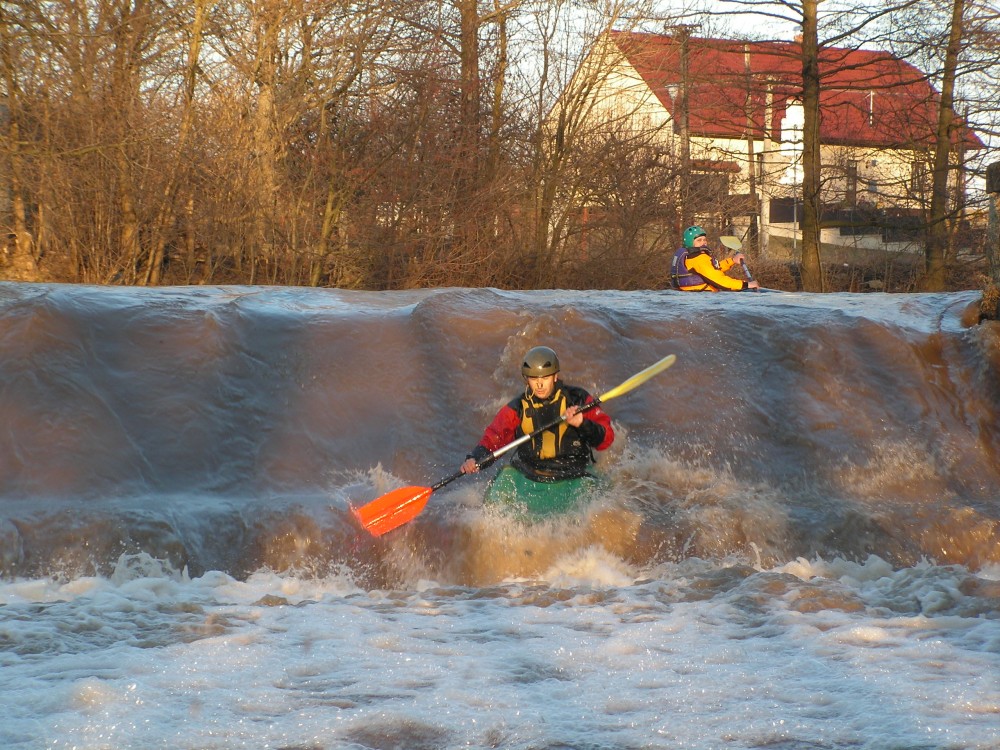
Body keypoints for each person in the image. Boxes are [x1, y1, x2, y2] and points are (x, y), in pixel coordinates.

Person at [460, 346, 614, 516]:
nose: (540, 384)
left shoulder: (578, 399)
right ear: (527, 380)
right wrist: (475, 458)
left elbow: (606, 439)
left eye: (545, 377)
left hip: (573, 474)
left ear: (555, 376)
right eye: (534, 378)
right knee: (492, 507)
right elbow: (494, 438)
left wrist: (582, 423)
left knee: (599, 513)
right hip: (529, 474)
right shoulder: (518, 408)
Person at [670, 225, 760, 291]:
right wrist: (746, 285)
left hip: (695, 294)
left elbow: (713, 268)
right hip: (702, 296)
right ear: (690, 242)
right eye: (699, 240)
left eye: (704, 239)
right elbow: (719, 280)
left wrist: (732, 260)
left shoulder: (692, 257)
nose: (704, 242)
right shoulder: (698, 258)